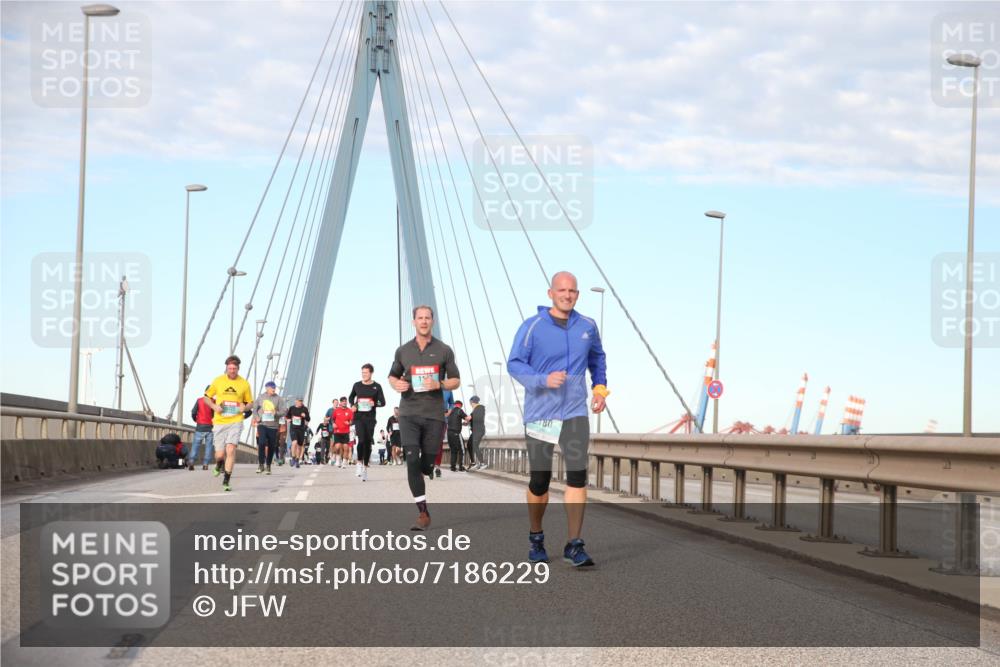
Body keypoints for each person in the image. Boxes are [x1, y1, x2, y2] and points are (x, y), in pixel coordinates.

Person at [507, 271, 608, 567]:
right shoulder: (532, 327)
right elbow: (514, 363)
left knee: (577, 475)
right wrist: (542, 379)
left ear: (577, 295)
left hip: (575, 411)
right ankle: (536, 537)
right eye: (562, 290)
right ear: (550, 293)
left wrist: (599, 389)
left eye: (573, 291)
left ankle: (574, 544)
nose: (568, 295)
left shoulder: (587, 326)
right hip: (541, 413)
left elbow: (598, 359)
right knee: (540, 480)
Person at [388, 305, 461, 530]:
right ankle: (423, 513)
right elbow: (392, 376)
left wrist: (438, 383)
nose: (423, 321)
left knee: (427, 465)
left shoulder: (444, 350)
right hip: (408, 413)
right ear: (414, 322)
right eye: (419, 318)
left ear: (433, 321)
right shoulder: (403, 351)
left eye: (427, 318)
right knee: (411, 459)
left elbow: (455, 380)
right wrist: (396, 384)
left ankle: (426, 470)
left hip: (434, 415)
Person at [203, 355, 253, 492]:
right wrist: (214, 407)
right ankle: (219, 464)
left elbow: (250, 403)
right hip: (220, 421)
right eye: (230, 368)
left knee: (230, 449)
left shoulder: (244, 384)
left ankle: (226, 481)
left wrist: (245, 407)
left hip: (236, 421)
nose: (232, 371)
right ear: (226, 368)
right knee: (219, 455)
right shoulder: (218, 381)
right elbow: (206, 398)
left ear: (238, 369)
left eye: (234, 368)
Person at [349, 363, 386, 482]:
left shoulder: (377, 386)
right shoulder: (357, 385)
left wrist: (374, 403)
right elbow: (351, 398)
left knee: (368, 442)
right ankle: (359, 463)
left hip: (370, 418)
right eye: (362, 372)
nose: (363, 375)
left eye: (366, 373)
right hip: (359, 417)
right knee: (361, 440)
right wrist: (353, 405)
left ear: (371, 373)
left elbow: (383, 402)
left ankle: (365, 467)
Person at [251, 381, 287, 475]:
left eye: (275, 387)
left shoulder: (279, 399)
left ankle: (268, 466)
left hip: (273, 426)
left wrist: (277, 413)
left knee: (271, 446)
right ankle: (261, 464)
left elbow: (284, 411)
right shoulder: (261, 397)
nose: (274, 389)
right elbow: (254, 409)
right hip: (262, 424)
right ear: (267, 388)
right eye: (272, 388)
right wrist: (256, 417)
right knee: (262, 443)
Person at [188, 386, 215, 470]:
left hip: (200, 426)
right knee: (208, 446)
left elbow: (193, 412)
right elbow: (215, 415)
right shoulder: (213, 402)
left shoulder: (199, 400)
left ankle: (191, 461)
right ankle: (205, 464)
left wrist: (196, 420)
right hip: (210, 427)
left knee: (195, 445)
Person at [286, 398, 311, 468]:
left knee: (299, 446)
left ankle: (297, 460)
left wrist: (305, 416)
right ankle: (293, 458)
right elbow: (287, 416)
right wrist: (288, 419)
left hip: (301, 429)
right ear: (296, 402)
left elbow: (309, 419)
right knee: (294, 442)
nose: (301, 403)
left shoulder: (304, 409)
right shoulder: (292, 408)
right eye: (299, 401)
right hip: (293, 428)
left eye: (301, 401)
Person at [330, 397, 353, 468]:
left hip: (346, 432)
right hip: (337, 431)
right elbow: (332, 419)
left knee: (346, 448)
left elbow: (352, 421)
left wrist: (349, 423)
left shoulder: (349, 411)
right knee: (337, 447)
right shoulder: (336, 410)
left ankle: (344, 462)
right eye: (343, 401)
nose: (344, 402)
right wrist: (333, 424)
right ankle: (337, 458)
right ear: (341, 402)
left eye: (345, 401)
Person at [467, 395, 487, 470]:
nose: (470, 404)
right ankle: (473, 463)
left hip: (479, 430)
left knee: (474, 445)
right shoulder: (475, 409)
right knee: (469, 445)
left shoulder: (480, 408)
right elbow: (476, 419)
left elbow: (478, 417)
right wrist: (468, 422)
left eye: (470, 403)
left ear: (472, 402)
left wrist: (470, 417)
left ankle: (482, 463)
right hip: (475, 430)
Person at [446, 399, 467, 472]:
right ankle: (461, 467)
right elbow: (467, 418)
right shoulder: (459, 410)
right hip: (456, 433)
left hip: (449, 433)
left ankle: (453, 467)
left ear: (454, 405)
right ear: (460, 405)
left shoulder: (449, 411)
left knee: (453, 450)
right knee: (462, 450)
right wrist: (466, 422)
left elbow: (453, 421)